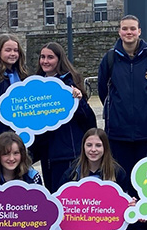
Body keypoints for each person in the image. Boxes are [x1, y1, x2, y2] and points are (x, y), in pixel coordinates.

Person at [98, 15, 147, 194]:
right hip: (119, 133)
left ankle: (144, 220)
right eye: (125, 29)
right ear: (119, 31)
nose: (129, 32)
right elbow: (103, 91)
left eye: (132, 28)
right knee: (121, 181)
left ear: (139, 31)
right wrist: (118, 110)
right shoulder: (109, 59)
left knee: (145, 182)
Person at [29, 42, 96, 193]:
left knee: (70, 196)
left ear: (59, 60)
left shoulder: (71, 82)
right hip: (47, 153)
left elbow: (89, 120)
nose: (45, 61)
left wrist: (78, 100)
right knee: (53, 193)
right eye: (42, 57)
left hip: (69, 152)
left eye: (50, 57)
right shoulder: (34, 84)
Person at [59, 128, 128, 230]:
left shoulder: (117, 172)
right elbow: (59, 203)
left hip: (103, 225)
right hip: (76, 225)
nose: (93, 150)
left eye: (98, 145)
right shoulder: (72, 173)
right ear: (83, 147)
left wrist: (130, 204)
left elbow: (124, 202)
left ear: (105, 148)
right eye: (89, 145)